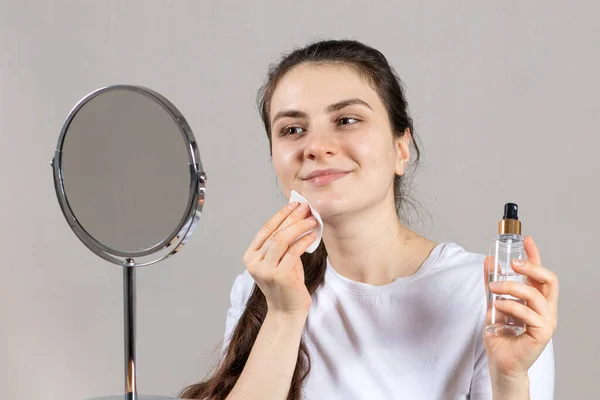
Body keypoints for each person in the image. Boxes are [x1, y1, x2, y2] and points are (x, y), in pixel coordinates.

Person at [180, 39, 558, 400]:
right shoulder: (261, 288)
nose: (315, 147)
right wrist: (283, 314)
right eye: (292, 130)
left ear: (400, 148)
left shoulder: (486, 296)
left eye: (346, 120)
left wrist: (510, 380)